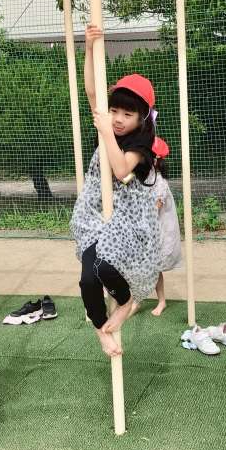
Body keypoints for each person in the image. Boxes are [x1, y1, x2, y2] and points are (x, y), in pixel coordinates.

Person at [70, 24, 160, 357]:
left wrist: (107, 131)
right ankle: (100, 329)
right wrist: (89, 48)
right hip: (93, 212)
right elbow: (92, 91)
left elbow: (122, 170)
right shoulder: (108, 123)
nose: (118, 118)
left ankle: (126, 301)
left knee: (107, 268)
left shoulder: (142, 143)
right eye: (114, 111)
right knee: (88, 279)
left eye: (127, 114)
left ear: (142, 118)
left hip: (125, 216)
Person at [128, 136, 182, 318]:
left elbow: (155, 209)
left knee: (152, 267)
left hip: (155, 230)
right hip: (143, 227)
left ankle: (154, 301)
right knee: (140, 266)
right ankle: (139, 300)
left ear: (155, 159)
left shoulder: (159, 182)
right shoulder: (142, 176)